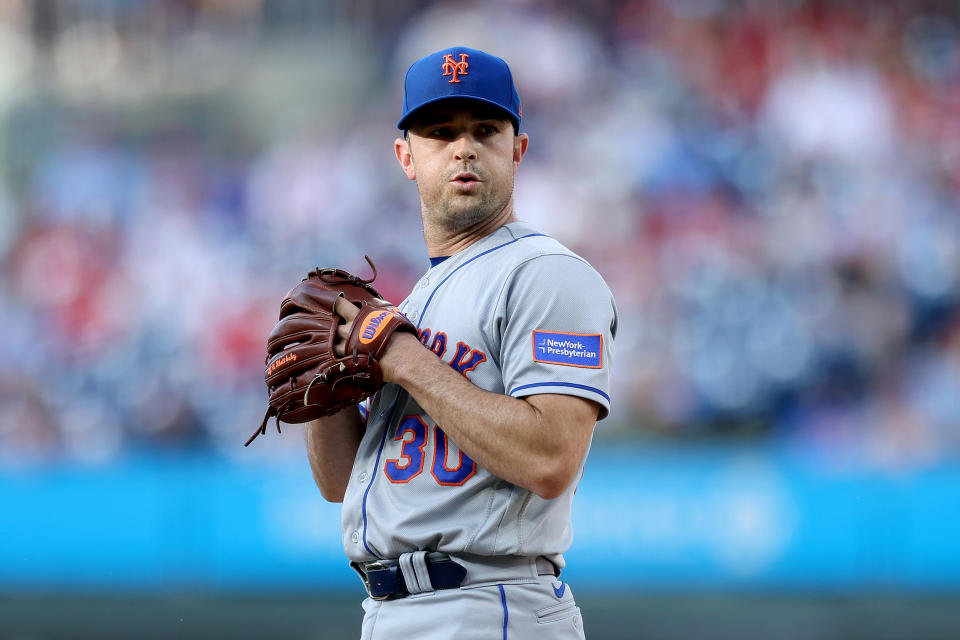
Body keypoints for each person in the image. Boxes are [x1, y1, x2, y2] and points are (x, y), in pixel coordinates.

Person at [306, 46, 617, 639]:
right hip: (389, 610)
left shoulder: (546, 272)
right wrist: (327, 394)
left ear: (517, 150)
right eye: (440, 133)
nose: (463, 148)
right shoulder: (417, 299)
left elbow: (551, 459)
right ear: (406, 156)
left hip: (491, 603)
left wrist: (405, 362)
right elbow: (339, 485)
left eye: (485, 130)